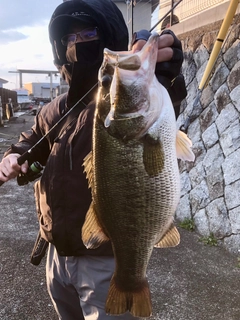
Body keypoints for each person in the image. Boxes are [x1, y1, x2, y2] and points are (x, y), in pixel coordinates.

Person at [0, 0, 186, 319]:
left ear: (106, 37)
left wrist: (165, 73)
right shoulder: (55, 109)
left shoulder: (112, 107)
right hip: (56, 254)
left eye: (87, 33)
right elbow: (32, 139)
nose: (76, 44)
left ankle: (131, 279)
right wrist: (14, 155)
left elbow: (164, 94)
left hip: (105, 259)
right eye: (69, 39)